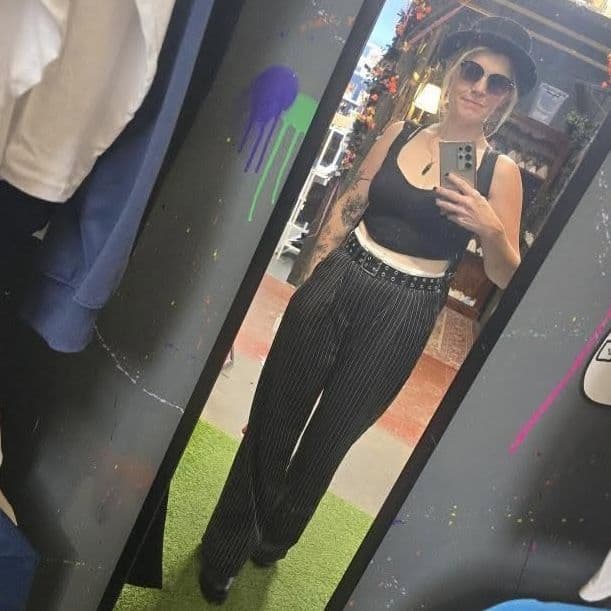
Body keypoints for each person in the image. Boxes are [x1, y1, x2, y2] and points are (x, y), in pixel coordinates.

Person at [198, 16, 538, 603]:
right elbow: (352, 199)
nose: (480, 87)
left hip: (406, 306)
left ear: (507, 98)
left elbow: (507, 274)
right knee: (274, 414)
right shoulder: (404, 132)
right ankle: (225, 547)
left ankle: (275, 536)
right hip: (343, 273)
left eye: (497, 82)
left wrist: (489, 228)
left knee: (330, 439)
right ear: (454, 72)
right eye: (473, 70)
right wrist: (313, 274)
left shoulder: (497, 171)